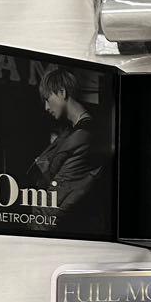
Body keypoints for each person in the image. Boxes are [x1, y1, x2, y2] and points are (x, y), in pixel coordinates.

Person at [31, 67, 107, 216]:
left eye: (47, 99)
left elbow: (60, 198)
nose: (46, 107)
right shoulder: (71, 132)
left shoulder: (83, 136)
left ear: (62, 92)